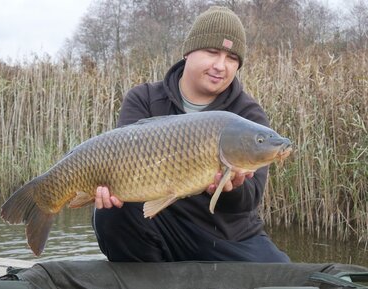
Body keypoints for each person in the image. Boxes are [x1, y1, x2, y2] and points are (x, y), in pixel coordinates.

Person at [92, 6, 290, 263]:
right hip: (158, 224)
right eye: (212, 52)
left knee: (279, 273)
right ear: (188, 52)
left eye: (232, 58)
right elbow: (120, 168)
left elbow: (248, 201)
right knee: (110, 212)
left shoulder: (247, 115)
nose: (221, 66)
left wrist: (231, 188)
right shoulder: (144, 98)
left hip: (225, 234)